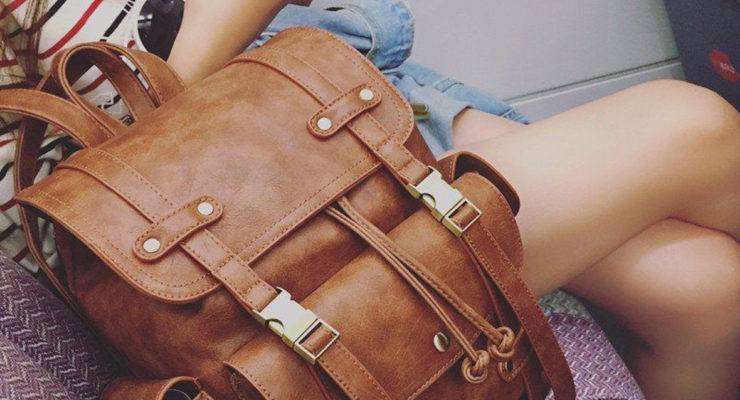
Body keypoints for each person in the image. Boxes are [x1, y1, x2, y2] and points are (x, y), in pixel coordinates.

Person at [2, 1, 738, 399]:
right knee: (691, 129)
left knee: (704, 292)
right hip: (220, 238)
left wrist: (171, 89)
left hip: (321, 110)